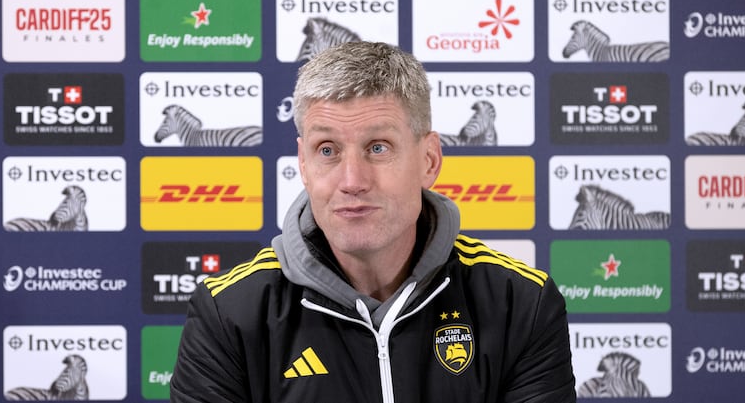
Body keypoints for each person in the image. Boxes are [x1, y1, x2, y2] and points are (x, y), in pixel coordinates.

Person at [170, 41, 576, 403]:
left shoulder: (520, 303)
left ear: (429, 160)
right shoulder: (228, 314)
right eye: (327, 150)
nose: (352, 181)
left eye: (378, 148)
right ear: (304, 164)